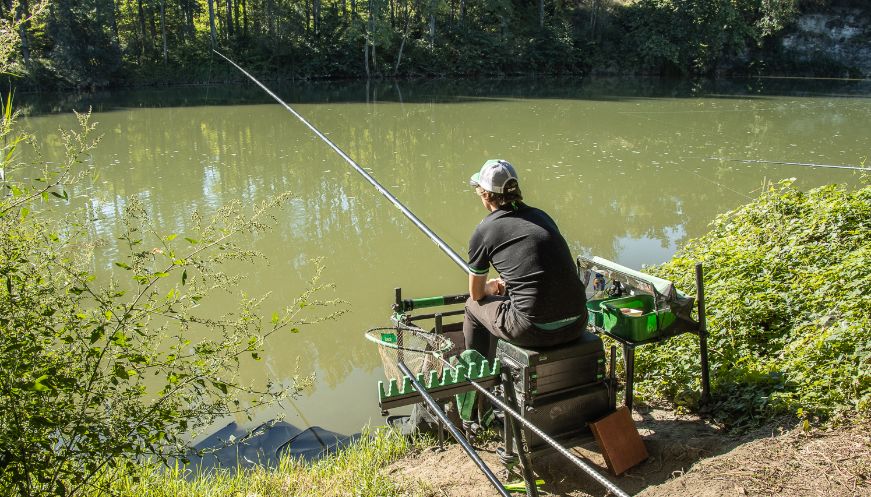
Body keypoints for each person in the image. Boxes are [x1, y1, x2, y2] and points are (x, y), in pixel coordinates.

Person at [464, 159, 588, 358]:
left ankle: (477, 376)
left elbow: (477, 293)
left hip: (532, 330)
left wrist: (491, 287)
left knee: (472, 305)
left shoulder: (484, 230)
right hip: (578, 323)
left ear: (485, 195)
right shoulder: (542, 216)